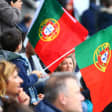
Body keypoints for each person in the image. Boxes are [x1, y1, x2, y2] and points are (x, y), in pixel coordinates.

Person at [0, 28, 42, 105]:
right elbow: (24, 83)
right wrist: (34, 76)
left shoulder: (2, 59)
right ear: (19, 46)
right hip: (24, 101)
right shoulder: (19, 62)